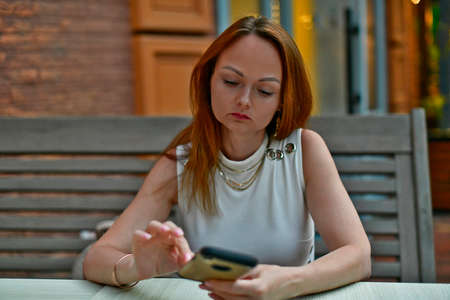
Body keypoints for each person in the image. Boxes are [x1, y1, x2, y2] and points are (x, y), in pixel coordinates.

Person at [83, 16, 371, 299]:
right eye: (231, 82)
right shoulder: (183, 163)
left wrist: (287, 281)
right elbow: (97, 258)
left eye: (264, 90)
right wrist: (136, 267)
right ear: (209, 80)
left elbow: (358, 255)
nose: (244, 100)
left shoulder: (303, 151)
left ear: (283, 99)